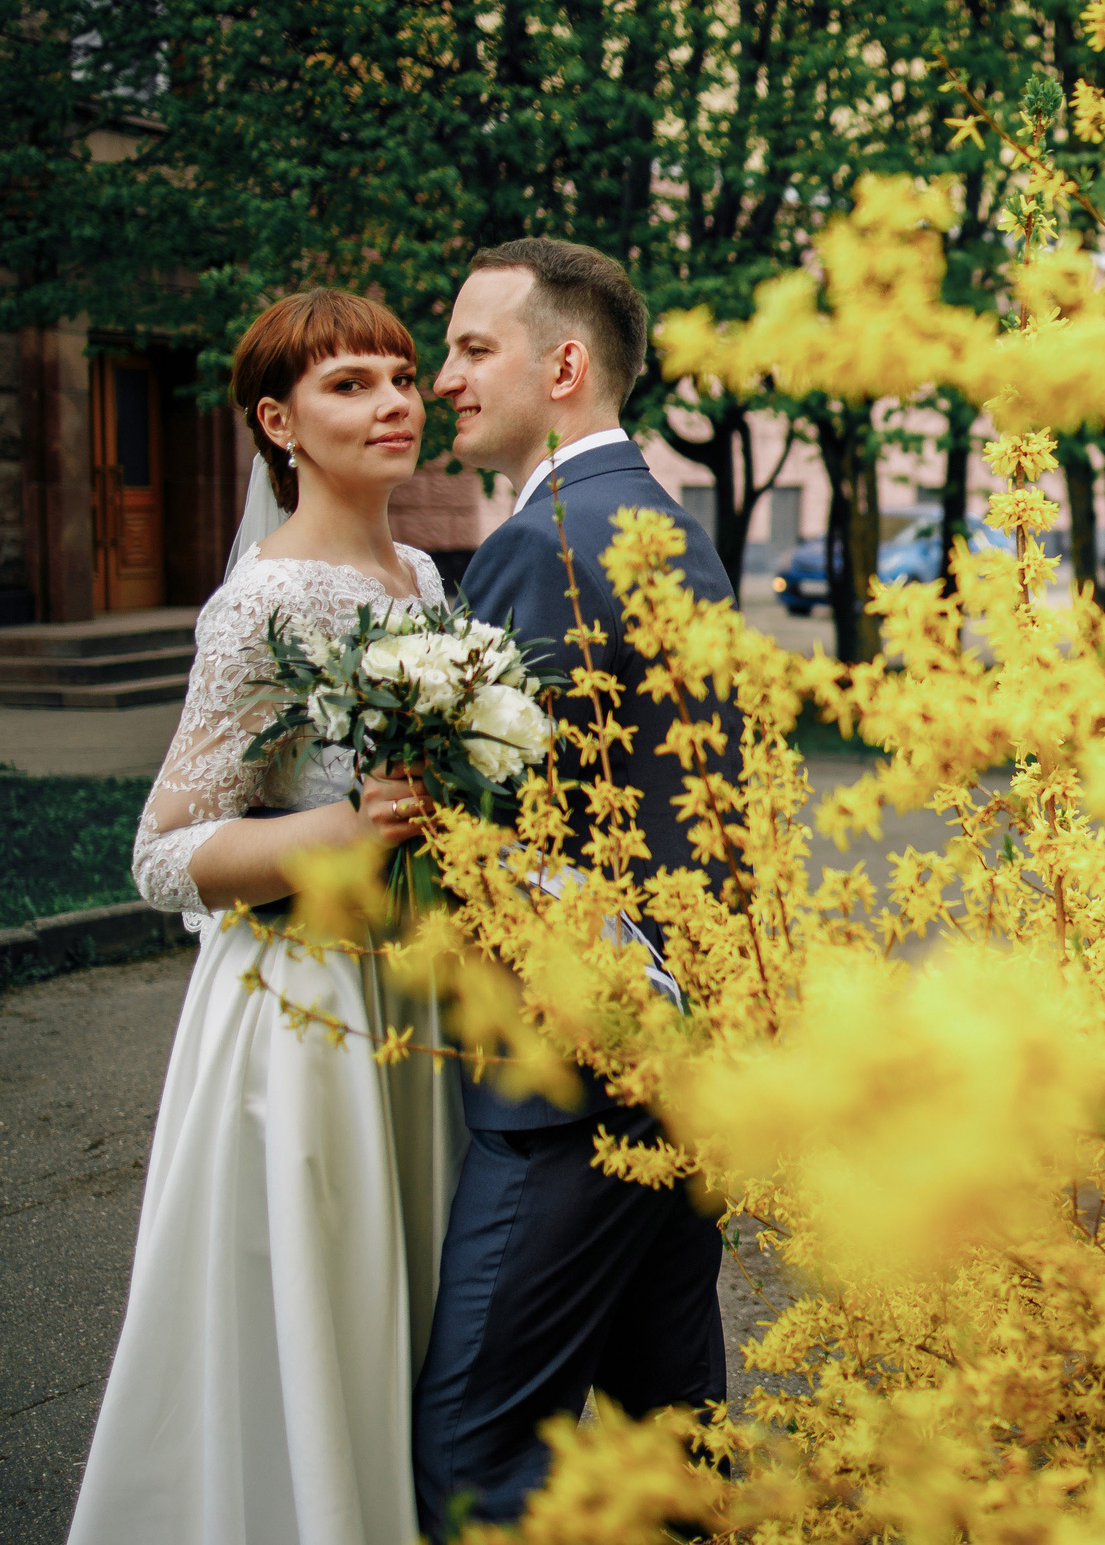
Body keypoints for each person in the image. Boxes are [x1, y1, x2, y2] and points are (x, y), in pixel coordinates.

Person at [73, 290, 467, 1545]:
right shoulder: (259, 604)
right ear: (277, 421)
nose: (395, 401)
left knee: (420, 1314)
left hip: (421, 998)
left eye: (402, 376)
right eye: (350, 383)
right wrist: (336, 834)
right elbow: (163, 851)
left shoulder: (425, 572)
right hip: (306, 1011)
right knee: (325, 1306)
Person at [413, 238, 731, 1536]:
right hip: (682, 1051)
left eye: (470, 347)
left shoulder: (544, 542)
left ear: (563, 363)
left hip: (573, 1078)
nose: (442, 379)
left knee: (477, 1445)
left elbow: (500, 833)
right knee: (673, 1436)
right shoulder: (664, 526)